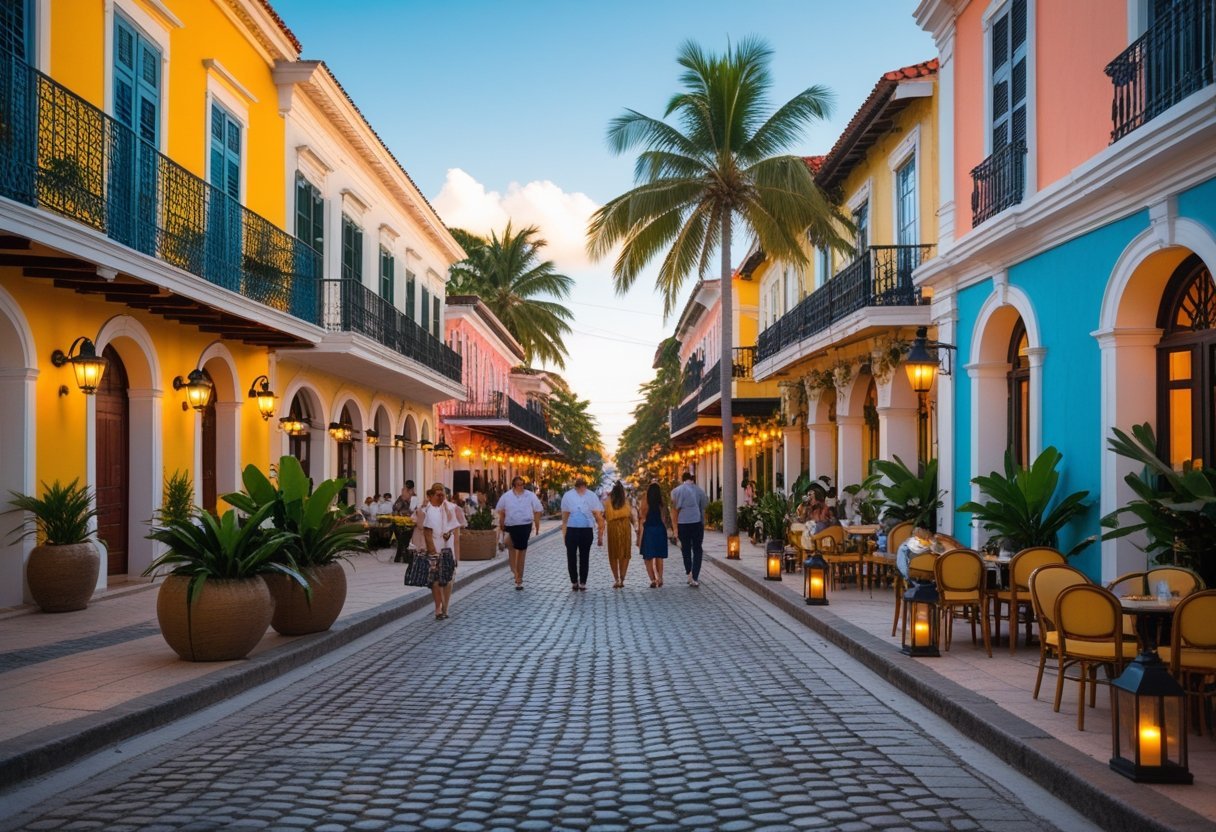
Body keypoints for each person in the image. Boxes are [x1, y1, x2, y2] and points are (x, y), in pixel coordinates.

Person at [414, 483, 461, 619]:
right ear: (432, 495)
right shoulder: (426, 510)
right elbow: (424, 530)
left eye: (443, 495)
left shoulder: (450, 508)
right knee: (435, 580)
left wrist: (457, 555)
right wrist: (432, 550)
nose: (441, 498)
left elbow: (456, 530)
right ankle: (438, 608)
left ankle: (445, 606)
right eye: (438, 495)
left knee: (447, 579)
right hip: (434, 548)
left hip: (448, 548)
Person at [496, 476, 543, 590]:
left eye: (522, 484)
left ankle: (519, 578)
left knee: (521, 551)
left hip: (525, 525)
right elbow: (501, 511)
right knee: (511, 547)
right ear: (513, 485)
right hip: (510, 526)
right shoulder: (506, 496)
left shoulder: (530, 495)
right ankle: (514, 570)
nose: (520, 486)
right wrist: (501, 525)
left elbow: (538, 509)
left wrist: (537, 525)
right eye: (518, 484)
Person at [561, 477, 604, 591]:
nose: (582, 489)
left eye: (583, 487)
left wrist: (600, 532)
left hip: (586, 529)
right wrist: (564, 533)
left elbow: (597, 515)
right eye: (580, 487)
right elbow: (565, 517)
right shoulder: (568, 496)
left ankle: (583, 581)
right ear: (576, 487)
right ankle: (574, 581)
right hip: (572, 529)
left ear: (586, 486)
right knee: (571, 556)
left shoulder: (591, 496)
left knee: (585, 556)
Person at [670, 471, 709, 587]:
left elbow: (674, 509)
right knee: (697, 549)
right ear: (693, 479)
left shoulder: (676, 491)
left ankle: (689, 572)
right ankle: (695, 576)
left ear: (683, 479)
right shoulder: (700, 491)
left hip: (682, 523)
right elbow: (704, 506)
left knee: (685, 549)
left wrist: (675, 528)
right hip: (696, 522)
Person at [637, 481, 672, 588]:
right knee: (659, 556)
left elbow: (642, 516)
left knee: (648, 557)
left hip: (649, 530)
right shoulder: (661, 502)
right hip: (660, 530)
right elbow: (664, 518)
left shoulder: (645, 501)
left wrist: (639, 535)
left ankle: (652, 579)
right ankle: (660, 578)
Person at [602, 481, 636, 589]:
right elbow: (631, 516)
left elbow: (605, 516)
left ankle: (616, 579)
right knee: (624, 553)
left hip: (612, 528)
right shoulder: (626, 502)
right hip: (625, 527)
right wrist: (636, 528)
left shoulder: (607, 502)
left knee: (613, 554)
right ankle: (622, 578)